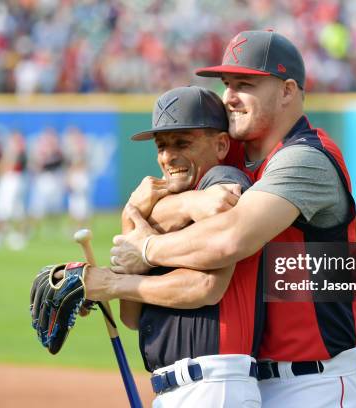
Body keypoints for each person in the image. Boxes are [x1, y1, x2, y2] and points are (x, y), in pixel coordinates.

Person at [110, 30, 356, 407]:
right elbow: (150, 200)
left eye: (245, 84)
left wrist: (146, 249)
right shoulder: (229, 156)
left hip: (313, 384)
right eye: (227, 84)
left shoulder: (306, 158)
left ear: (287, 90)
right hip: (248, 377)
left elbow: (230, 238)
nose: (229, 96)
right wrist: (188, 206)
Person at [83, 86, 262, 407]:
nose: (168, 156)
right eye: (161, 146)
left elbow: (204, 286)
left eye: (182, 143)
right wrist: (131, 215)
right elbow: (132, 317)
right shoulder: (161, 201)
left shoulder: (222, 180)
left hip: (213, 383)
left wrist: (114, 283)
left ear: (221, 144)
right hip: (179, 387)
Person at [28, 127, 65, 237]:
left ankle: (52, 229)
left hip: (55, 180)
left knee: (54, 208)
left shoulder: (58, 153)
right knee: (37, 208)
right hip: (43, 180)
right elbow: (34, 167)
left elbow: (61, 165)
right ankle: (31, 230)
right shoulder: (40, 152)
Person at [0, 129, 28, 250]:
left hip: (14, 179)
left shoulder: (19, 150)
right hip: (7, 179)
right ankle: (4, 235)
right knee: (4, 208)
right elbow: (1, 167)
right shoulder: (10, 150)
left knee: (13, 209)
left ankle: (17, 235)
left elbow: (12, 165)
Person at [63, 127, 92, 230]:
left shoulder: (84, 146)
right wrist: (68, 179)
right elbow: (69, 166)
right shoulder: (69, 149)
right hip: (74, 176)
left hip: (82, 176)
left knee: (83, 205)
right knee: (73, 205)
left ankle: (85, 227)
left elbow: (83, 164)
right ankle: (75, 228)